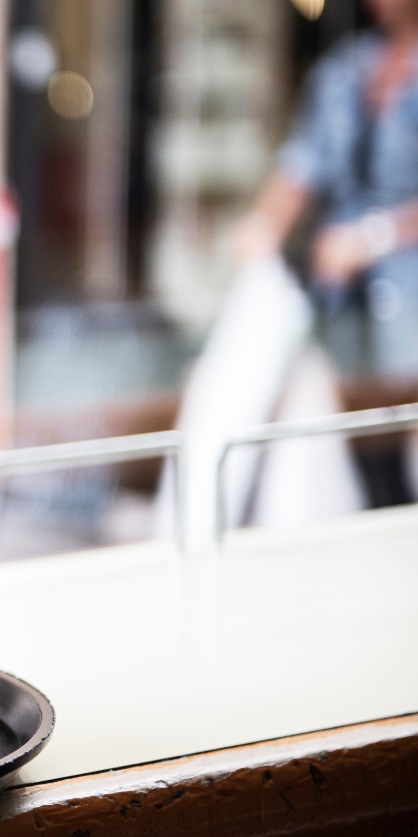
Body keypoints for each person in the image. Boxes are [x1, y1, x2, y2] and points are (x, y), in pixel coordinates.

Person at [234, 0, 418, 503]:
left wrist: (376, 237)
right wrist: (264, 224)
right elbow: (302, 165)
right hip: (343, 303)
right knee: (365, 457)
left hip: (408, 303)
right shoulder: (346, 69)